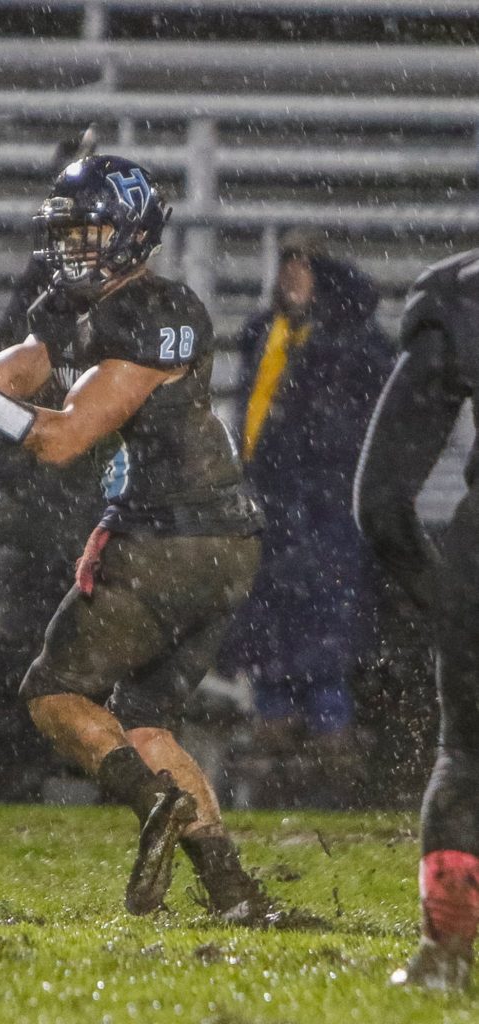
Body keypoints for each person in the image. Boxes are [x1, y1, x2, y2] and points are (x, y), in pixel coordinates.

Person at [0, 154, 272, 920]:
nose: (72, 247)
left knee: (54, 694)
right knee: (146, 723)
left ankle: (151, 801)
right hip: (224, 543)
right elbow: (9, 382)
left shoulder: (154, 312)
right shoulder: (78, 304)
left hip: (168, 537)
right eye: (65, 232)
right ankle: (232, 894)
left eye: (86, 229)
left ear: (130, 233)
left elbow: (59, 440)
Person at [223, 228, 393, 806]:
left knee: (324, 636)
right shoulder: (264, 334)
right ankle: (277, 743)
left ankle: (330, 749)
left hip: (325, 510)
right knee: (271, 633)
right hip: (272, 508)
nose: (292, 277)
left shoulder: (351, 346)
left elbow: (352, 431)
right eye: (287, 264)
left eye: (306, 266)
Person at [354, 247, 479, 991]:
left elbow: (379, 503)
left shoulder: (460, 295)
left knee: (467, 761)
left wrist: (447, 607)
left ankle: (444, 955)